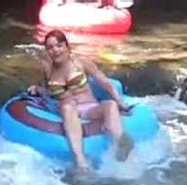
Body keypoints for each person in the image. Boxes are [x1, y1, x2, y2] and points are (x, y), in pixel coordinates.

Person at [28, 30, 133, 172]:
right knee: (67, 106)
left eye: (59, 46)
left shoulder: (81, 62)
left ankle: (120, 143)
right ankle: (81, 162)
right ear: (47, 51)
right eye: (50, 48)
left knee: (110, 105)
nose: (55, 50)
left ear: (66, 46)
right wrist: (38, 89)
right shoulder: (49, 71)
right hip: (68, 110)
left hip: (89, 108)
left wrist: (120, 102)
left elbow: (105, 83)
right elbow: (50, 93)